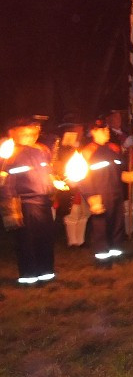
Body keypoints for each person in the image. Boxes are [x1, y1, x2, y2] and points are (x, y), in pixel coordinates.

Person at [1, 115, 59, 284]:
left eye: (32, 133)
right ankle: (29, 276)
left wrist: (54, 184)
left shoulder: (41, 150)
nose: (31, 136)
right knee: (26, 242)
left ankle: (46, 272)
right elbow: (5, 184)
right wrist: (10, 210)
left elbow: (48, 172)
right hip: (23, 204)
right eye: (25, 134)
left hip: (43, 202)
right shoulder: (9, 154)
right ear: (15, 134)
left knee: (45, 238)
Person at [80, 117, 130, 265]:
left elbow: (119, 168)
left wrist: (126, 175)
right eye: (103, 130)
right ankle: (103, 259)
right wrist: (91, 196)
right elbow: (83, 177)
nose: (107, 132)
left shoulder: (113, 149)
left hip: (116, 191)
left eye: (107, 129)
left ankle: (116, 254)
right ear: (94, 132)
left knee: (117, 224)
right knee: (101, 227)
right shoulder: (87, 152)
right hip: (99, 194)